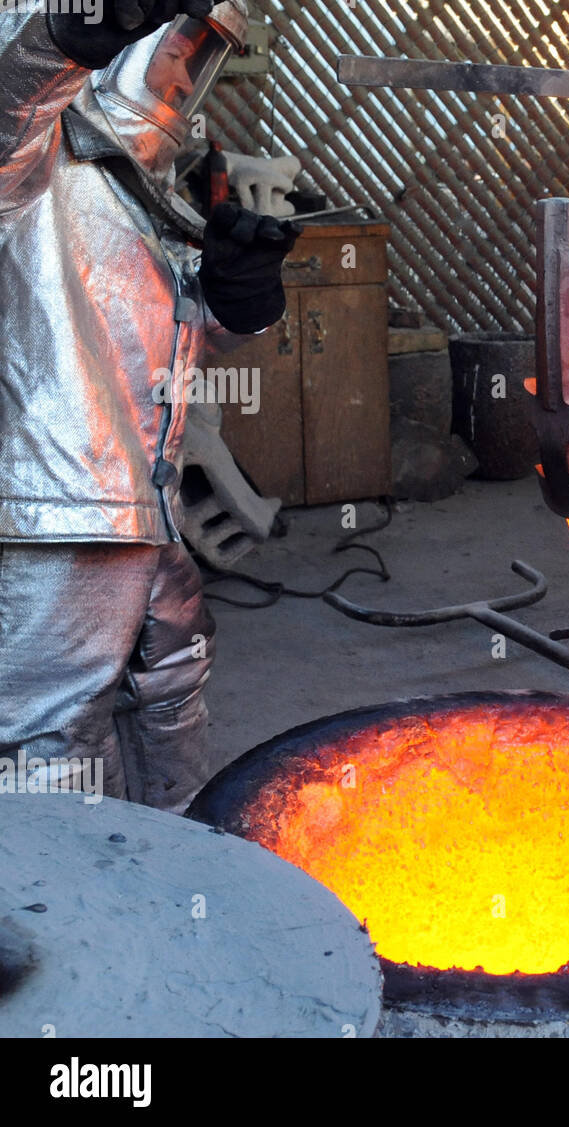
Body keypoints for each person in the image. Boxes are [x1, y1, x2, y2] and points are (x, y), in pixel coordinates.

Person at [0, 0, 301, 813]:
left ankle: (175, 898)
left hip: (140, 506)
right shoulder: (35, 149)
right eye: (177, 44)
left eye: (200, 55)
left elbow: (166, 335)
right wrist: (49, 49)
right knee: (50, 751)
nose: (181, 73)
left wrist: (238, 303)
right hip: (47, 520)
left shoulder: (148, 175)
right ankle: (64, 932)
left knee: (172, 689)